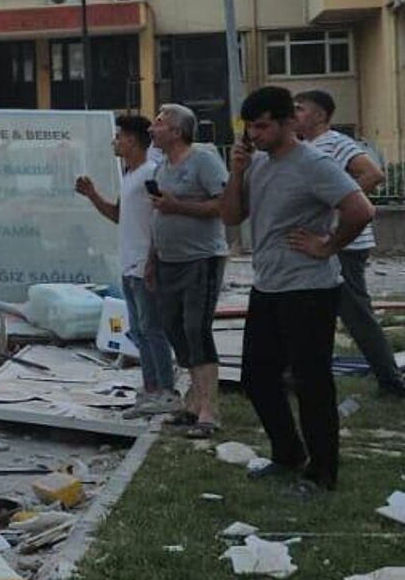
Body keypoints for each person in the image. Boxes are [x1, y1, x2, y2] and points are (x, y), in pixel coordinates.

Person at [220, 86, 374, 491]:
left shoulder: (313, 163)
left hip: (309, 289)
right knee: (257, 377)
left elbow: (360, 209)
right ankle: (288, 453)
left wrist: (328, 246)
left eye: (263, 126)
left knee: (311, 382)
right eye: (250, 127)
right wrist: (236, 172)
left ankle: (322, 473)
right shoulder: (257, 163)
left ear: (288, 122)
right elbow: (231, 216)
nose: (255, 135)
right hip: (268, 286)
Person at [294, 89, 404, 397]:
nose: (294, 114)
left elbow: (373, 174)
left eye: (300, 109)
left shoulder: (335, 142)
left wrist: (338, 201)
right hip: (318, 244)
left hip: (344, 243)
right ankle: (298, 375)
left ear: (320, 115)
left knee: (356, 315)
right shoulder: (306, 147)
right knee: (306, 311)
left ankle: (390, 380)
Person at [74, 114, 177, 415]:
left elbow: (161, 219)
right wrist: (93, 195)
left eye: (119, 137)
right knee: (139, 330)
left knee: (152, 329)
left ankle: (166, 391)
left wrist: (153, 260)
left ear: (132, 141)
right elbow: (119, 216)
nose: (114, 141)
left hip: (145, 264)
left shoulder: (151, 173)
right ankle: (151, 388)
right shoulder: (130, 175)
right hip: (129, 264)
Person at [148, 103, 229, 438]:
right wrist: (152, 259)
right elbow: (158, 214)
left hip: (200, 259)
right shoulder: (162, 166)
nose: (151, 128)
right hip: (168, 260)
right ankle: (193, 401)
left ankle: (209, 409)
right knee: (174, 328)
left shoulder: (203, 160)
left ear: (176, 131)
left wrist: (178, 206)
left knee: (197, 329)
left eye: (158, 123)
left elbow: (224, 204)